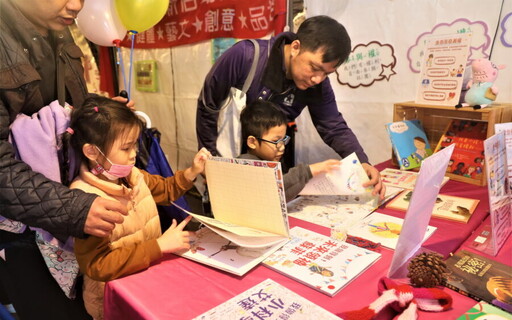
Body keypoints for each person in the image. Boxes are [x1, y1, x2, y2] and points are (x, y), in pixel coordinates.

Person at [0, 1, 131, 318]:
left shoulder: (62, 32)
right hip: (25, 230)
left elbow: (70, 106)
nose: (76, 5)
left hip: (72, 205)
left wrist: (101, 115)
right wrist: (73, 207)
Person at [196, 15, 384, 199]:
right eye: (315, 67)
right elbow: (208, 108)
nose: (318, 79)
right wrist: (212, 164)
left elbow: (332, 125)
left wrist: (361, 161)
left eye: (327, 73)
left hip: (270, 169)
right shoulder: (245, 56)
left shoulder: (318, 84)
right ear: (295, 47)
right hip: (230, 161)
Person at [65, 96, 209, 319]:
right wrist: (159, 246)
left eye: (135, 145)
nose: (134, 154)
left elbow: (164, 189)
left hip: (145, 277)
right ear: (92, 152)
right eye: (125, 147)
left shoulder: (132, 174)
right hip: (113, 298)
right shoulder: (86, 201)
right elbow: (97, 265)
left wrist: (192, 171)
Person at [240, 100, 345, 201]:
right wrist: (309, 171)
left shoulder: (272, 161)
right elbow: (273, 189)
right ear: (252, 142)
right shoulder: (244, 165)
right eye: (276, 141)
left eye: (283, 140)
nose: (282, 147)